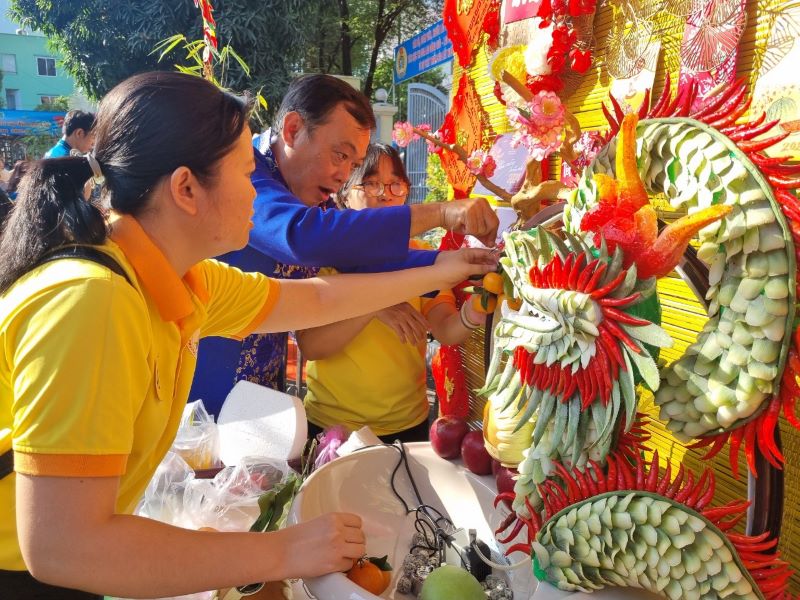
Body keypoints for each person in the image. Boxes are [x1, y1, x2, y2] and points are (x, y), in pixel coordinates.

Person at [0, 71, 495, 599]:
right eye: (245, 175)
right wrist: (286, 550)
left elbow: (316, 300)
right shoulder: (92, 301)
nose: (257, 195)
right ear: (187, 189)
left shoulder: (182, 276)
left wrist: (445, 268)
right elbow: (64, 547)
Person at [191, 74, 500, 412]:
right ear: (293, 129)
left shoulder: (311, 198)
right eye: (340, 155)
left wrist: (463, 262)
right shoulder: (248, 173)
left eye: (353, 164)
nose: (343, 175)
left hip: (261, 393)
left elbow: (364, 264)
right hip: (203, 392)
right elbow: (304, 236)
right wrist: (441, 213)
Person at [298, 144, 487, 442]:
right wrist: (376, 305)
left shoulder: (424, 257)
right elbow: (311, 346)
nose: (385, 193)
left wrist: (475, 311)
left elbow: (446, 329)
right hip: (333, 427)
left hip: (406, 425)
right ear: (343, 193)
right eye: (371, 183)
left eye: (395, 183)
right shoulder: (325, 259)